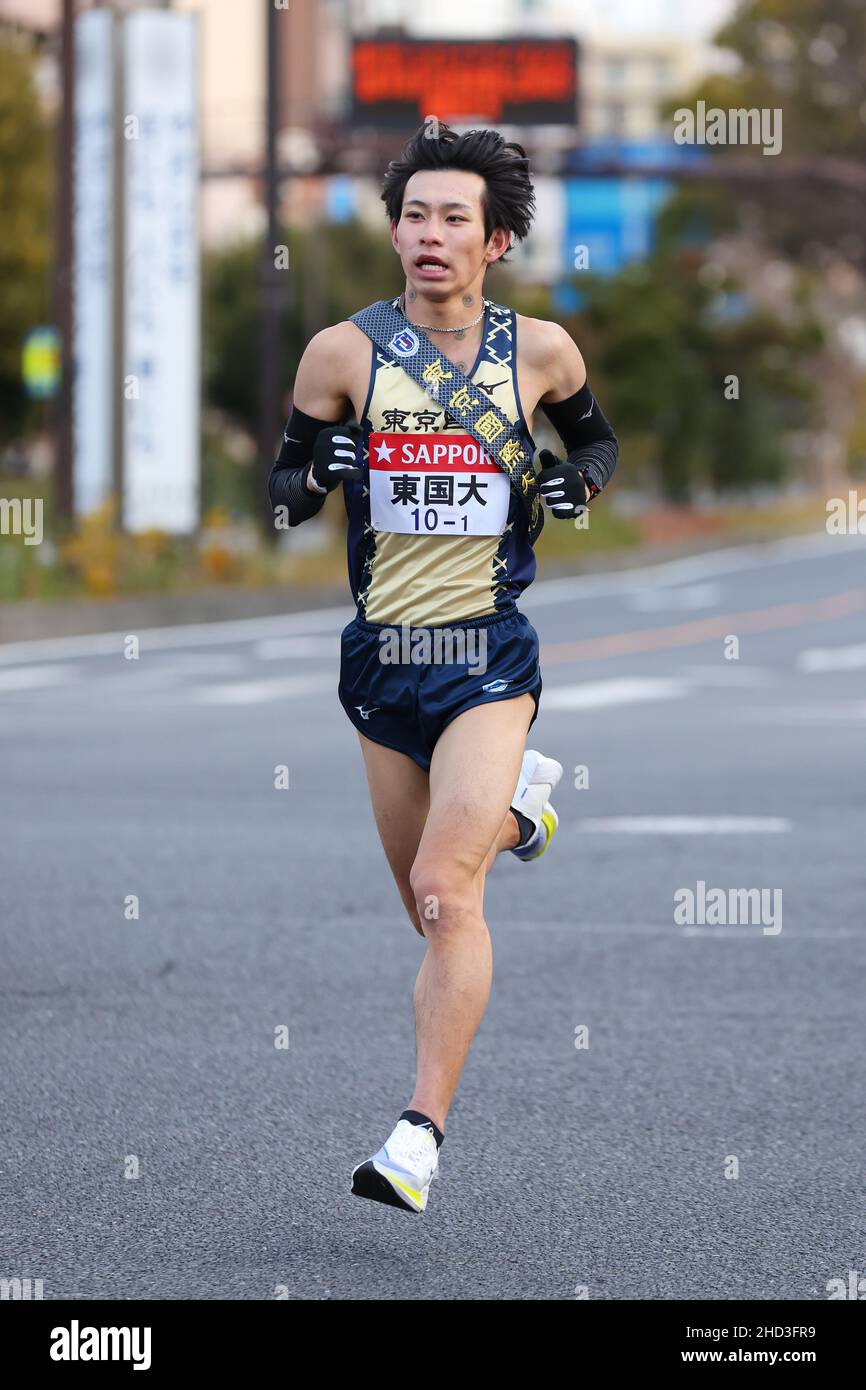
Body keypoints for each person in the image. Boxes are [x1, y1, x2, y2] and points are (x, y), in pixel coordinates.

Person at [268, 124, 618, 1214]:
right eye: (413, 215)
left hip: (483, 657)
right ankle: (523, 817)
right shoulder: (340, 353)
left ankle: (416, 1136)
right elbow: (279, 496)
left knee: (440, 887)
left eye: (451, 217)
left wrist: (576, 488)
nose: (427, 234)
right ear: (393, 230)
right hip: (381, 666)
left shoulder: (541, 353)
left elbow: (594, 444)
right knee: (429, 911)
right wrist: (314, 471)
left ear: (495, 238)